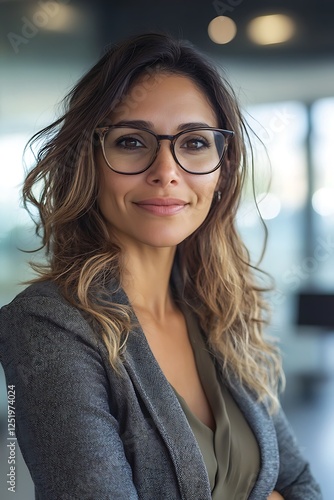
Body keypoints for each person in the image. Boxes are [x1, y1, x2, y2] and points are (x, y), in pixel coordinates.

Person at [0, 32, 321, 500]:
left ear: (221, 169)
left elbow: (301, 485)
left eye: (193, 143)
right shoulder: (48, 324)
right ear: (86, 162)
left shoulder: (218, 309)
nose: (166, 170)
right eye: (132, 141)